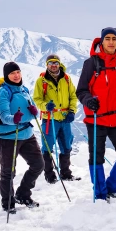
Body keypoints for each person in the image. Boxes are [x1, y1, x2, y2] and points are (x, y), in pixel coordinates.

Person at [76, 27, 116, 200]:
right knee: (97, 157)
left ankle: (113, 186)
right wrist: (88, 100)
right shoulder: (91, 63)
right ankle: (100, 192)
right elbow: (81, 90)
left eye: (114, 39)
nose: (110, 42)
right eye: (107, 38)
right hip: (96, 119)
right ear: (102, 41)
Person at [0, 62, 45, 212]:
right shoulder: (3, 92)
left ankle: (23, 194)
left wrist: (34, 111)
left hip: (27, 134)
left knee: (38, 164)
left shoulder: (24, 89)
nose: (16, 75)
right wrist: (14, 119)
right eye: (12, 73)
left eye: (18, 72)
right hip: (8, 137)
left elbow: (31, 113)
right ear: (6, 76)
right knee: (8, 171)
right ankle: (8, 203)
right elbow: (4, 116)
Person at [33, 54, 79, 183]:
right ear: (47, 65)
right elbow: (37, 99)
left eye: (56, 63)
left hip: (64, 118)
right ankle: (49, 174)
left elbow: (73, 96)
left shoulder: (66, 79)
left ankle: (66, 173)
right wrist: (45, 106)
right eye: (51, 63)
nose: (53, 65)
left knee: (66, 145)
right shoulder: (41, 81)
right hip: (50, 118)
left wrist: (72, 111)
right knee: (47, 146)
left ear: (59, 64)